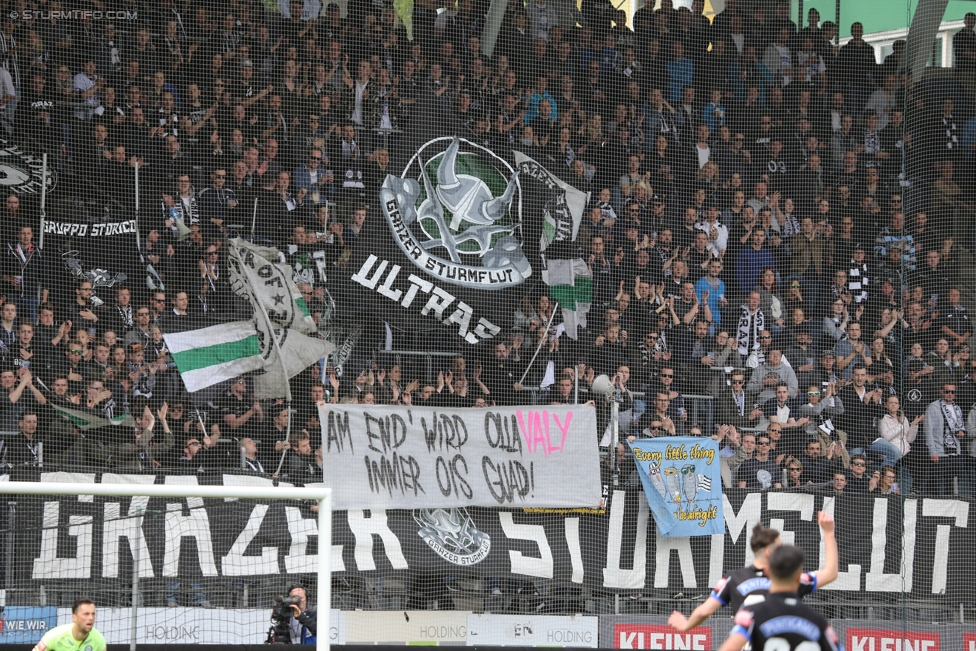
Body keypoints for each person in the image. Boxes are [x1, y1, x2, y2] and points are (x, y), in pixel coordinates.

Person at [669, 513, 838, 632]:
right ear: (768, 553)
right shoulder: (790, 579)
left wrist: (685, 625)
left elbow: (705, 610)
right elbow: (830, 573)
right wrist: (829, 533)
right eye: (779, 548)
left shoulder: (733, 579)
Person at [718, 544, 843, 651]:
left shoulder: (750, 615)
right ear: (799, 577)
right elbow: (831, 573)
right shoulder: (817, 621)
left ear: (767, 572)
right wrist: (828, 532)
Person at [31, 598, 105, 651]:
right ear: (74, 617)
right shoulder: (54, 636)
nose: (91, 618)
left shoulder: (99, 640)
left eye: (93, 614)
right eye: (86, 614)